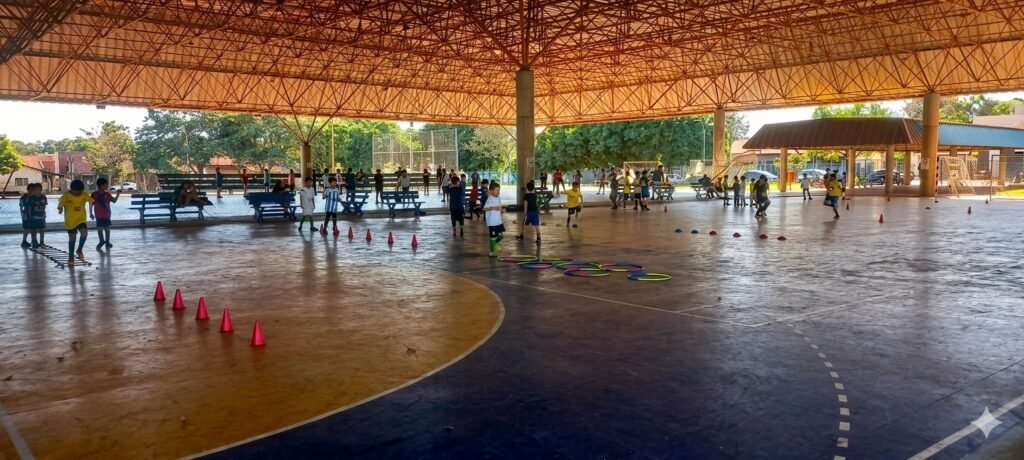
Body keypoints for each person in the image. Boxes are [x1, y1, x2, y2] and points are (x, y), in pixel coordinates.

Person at [57, 179, 93, 266]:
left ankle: (79, 250)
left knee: (84, 233)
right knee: (72, 238)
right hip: (70, 221)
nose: (78, 193)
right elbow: (61, 204)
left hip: (81, 219)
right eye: (76, 191)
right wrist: (60, 209)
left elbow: (91, 201)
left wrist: (91, 213)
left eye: (80, 191)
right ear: (72, 189)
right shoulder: (66, 195)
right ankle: (71, 257)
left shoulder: (84, 194)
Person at [90, 178, 121, 250]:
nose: (107, 186)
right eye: (106, 185)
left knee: (107, 228)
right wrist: (91, 213)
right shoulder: (94, 194)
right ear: (101, 186)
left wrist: (118, 194)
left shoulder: (107, 194)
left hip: (106, 215)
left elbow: (114, 201)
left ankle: (107, 242)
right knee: (100, 228)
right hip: (98, 215)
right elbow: (91, 204)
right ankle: (101, 241)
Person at [20, 183, 47, 248]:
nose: (32, 191)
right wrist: (24, 216)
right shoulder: (25, 197)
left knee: (40, 229)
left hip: (39, 216)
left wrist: (44, 214)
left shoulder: (43, 197)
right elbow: (23, 207)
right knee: (29, 229)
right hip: (29, 216)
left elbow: (44, 206)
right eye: (31, 189)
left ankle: (40, 242)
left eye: (33, 189)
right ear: (28, 190)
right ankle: (29, 241)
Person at [483, 182, 504, 257]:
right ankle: (491, 252)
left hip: (498, 221)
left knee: (501, 236)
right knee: (493, 238)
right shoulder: (490, 199)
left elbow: (499, 207)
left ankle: (495, 244)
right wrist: (492, 208)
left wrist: (502, 210)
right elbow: (484, 208)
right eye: (497, 190)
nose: (498, 192)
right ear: (492, 191)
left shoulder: (498, 198)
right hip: (492, 222)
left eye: (499, 190)